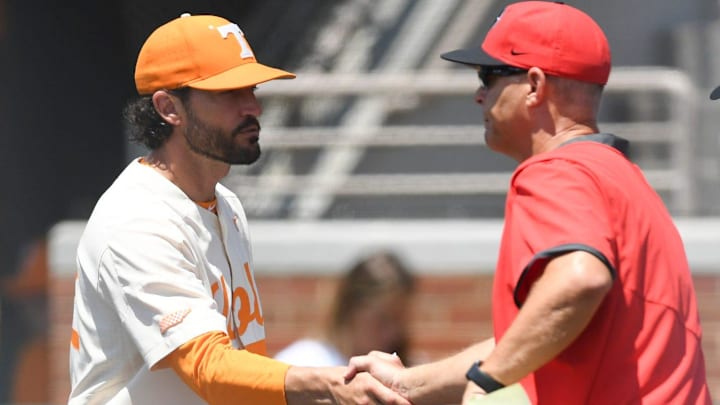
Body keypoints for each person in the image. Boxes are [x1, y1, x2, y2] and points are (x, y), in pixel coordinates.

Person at [345, 2, 712, 404]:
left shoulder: (557, 171)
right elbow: (533, 340)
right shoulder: (623, 178)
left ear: (535, 86)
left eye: (489, 77)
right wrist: (408, 384)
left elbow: (579, 279)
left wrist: (488, 383)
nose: (479, 96)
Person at [68, 13, 411, 405]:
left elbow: (240, 372)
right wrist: (333, 382)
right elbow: (208, 367)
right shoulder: (136, 219)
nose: (252, 107)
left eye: (251, 89)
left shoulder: (225, 203)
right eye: (228, 92)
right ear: (169, 107)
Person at [275, 251, 416, 367]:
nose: (393, 333)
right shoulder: (301, 364)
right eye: (383, 319)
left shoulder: (405, 370)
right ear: (350, 309)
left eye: (400, 321)